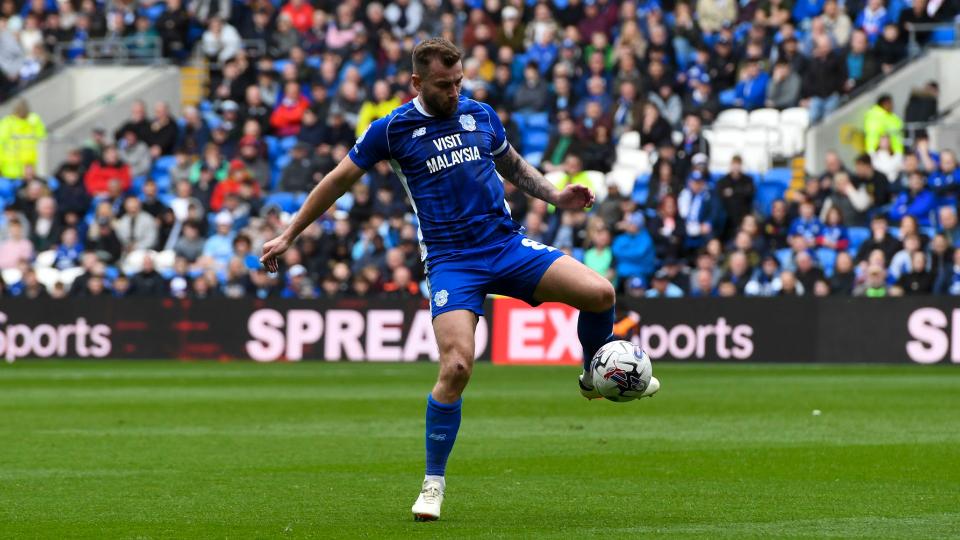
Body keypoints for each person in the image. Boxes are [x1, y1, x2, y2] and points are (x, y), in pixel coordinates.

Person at [258, 38, 659, 522]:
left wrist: (555, 196)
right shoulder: (391, 129)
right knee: (456, 368)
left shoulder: (480, 114)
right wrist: (288, 235)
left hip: (505, 245)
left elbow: (511, 164)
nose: (453, 92)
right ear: (416, 82)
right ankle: (433, 484)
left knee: (600, 293)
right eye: (443, 85)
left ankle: (592, 375)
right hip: (452, 262)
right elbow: (337, 181)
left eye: (458, 82)